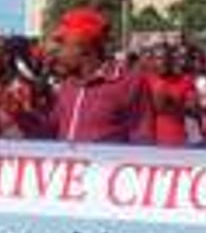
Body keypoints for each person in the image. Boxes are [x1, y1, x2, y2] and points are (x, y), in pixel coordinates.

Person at [46, 8, 153, 143]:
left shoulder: (129, 82)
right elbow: (48, 133)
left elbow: (143, 140)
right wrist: (22, 113)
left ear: (84, 46)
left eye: (62, 43)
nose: (54, 51)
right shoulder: (67, 85)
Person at [145, 45, 198, 147]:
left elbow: (193, 108)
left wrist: (172, 103)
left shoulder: (185, 81)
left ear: (172, 60)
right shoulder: (145, 80)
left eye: (166, 58)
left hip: (176, 140)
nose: (163, 62)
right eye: (158, 58)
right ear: (152, 61)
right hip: (148, 142)